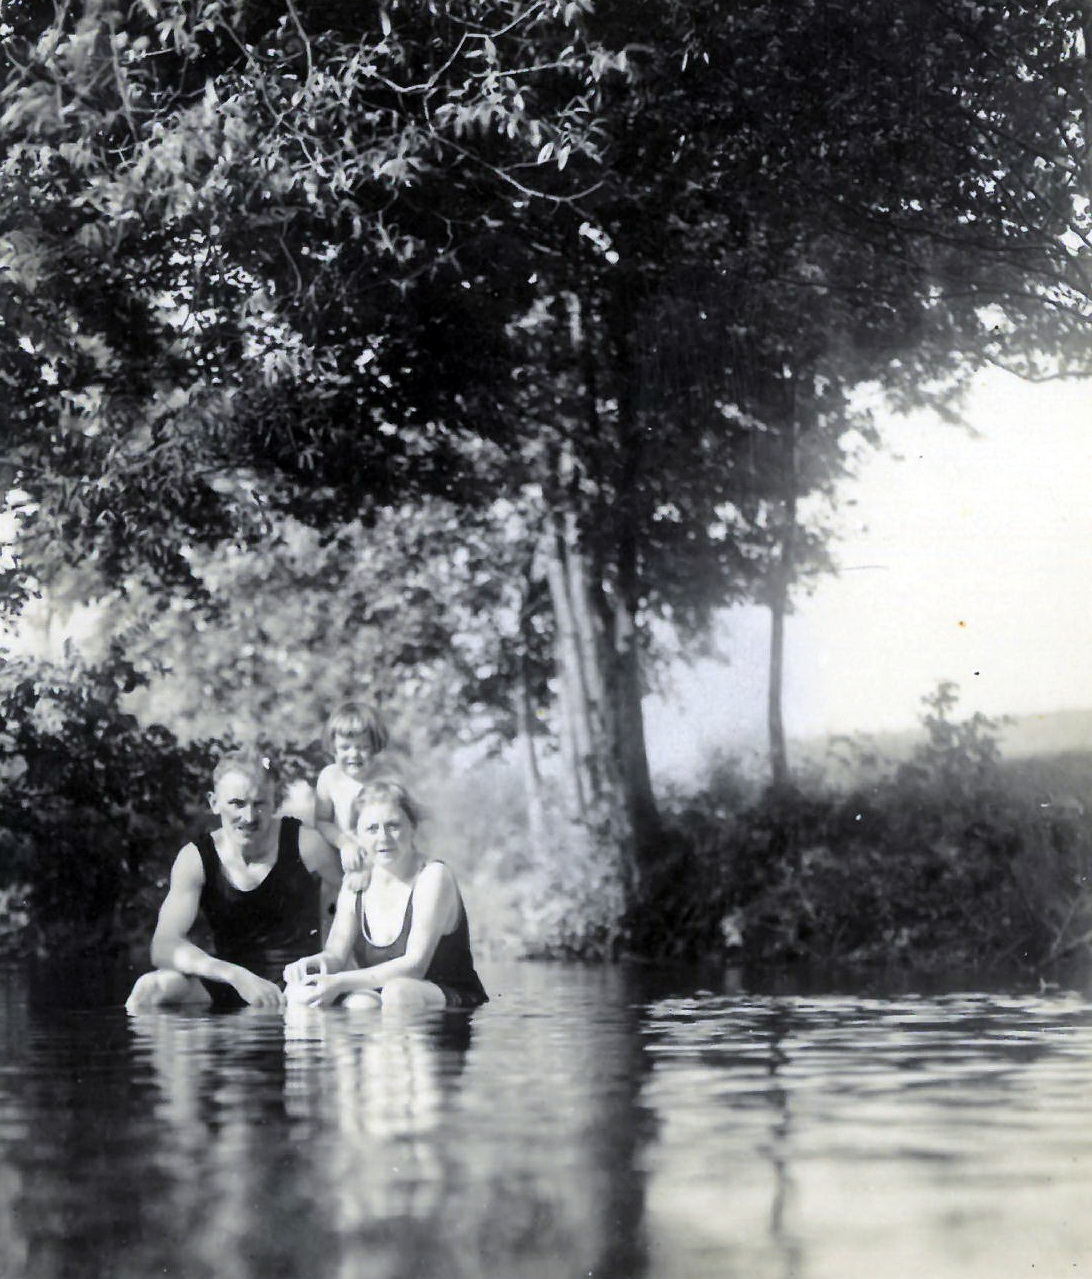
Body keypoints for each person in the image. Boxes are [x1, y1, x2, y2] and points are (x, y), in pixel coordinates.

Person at [125, 749, 343, 1012]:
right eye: (237, 804)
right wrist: (236, 976)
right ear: (214, 802)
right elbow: (163, 947)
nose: (249, 817)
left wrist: (330, 966)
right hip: (228, 983)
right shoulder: (196, 858)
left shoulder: (306, 845)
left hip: (299, 985)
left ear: (275, 803)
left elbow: (345, 911)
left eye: (260, 803)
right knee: (150, 989)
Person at [283, 780, 487, 1012]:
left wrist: (339, 982)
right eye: (372, 828)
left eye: (393, 826)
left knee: (398, 992)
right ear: (357, 835)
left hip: (447, 1001)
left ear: (412, 827)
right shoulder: (356, 885)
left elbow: (415, 966)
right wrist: (316, 964)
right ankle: (330, 1048)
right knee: (313, 995)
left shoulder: (433, 876)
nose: (383, 838)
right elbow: (336, 956)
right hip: (384, 992)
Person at [313, 701, 393, 879]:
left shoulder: (386, 780)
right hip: (342, 855)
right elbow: (321, 821)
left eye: (362, 747)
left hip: (381, 855)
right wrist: (344, 843)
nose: (353, 754)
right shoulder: (330, 777)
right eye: (345, 747)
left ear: (374, 747)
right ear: (333, 747)